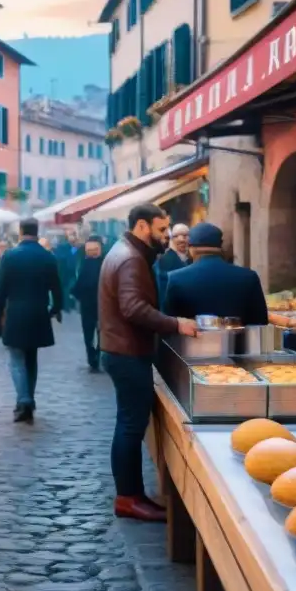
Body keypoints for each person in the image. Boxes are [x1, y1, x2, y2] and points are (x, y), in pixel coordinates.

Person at [99, 204, 197, 522]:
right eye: (161, 229)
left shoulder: (127, 251)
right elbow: (133, 308)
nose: (167, 235)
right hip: (126, 353)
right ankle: (128, 498)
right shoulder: (130, 258)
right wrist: (175, 324)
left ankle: (131, 494)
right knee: (130, 425)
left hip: (121, 350)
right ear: (142, 226)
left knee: (127, 423)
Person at [0, 219, 63, 424]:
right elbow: (57, 287)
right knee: (31, 359)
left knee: (16, 359)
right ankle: (27, 399)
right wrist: (56, 309)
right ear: (37, 232)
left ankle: (24, 400)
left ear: (21, 232)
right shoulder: (47, 257)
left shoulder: (10, 256)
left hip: (16, 315)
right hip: (39, 314)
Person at [162, 223, 269, 325]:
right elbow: (260, 321)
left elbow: (169, 323)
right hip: (236, 342)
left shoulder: (175, 278)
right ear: (220, 247)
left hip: (191, 342)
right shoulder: (249, 277)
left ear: (191, 249)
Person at [71, 235, 105, 371]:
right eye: (89, 250)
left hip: (97, 304)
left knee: (96, 332)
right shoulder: (89, 263)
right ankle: (94, 355)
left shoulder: (99, 263)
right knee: (92, 332)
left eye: (94, 249)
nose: (91, 252)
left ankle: (94, 356)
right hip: (92, 304)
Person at [154, 222, 191, 301]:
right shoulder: (162, 261)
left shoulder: (194, 259)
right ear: (172, 239)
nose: (181, 239)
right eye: (176, 236)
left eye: (185, 236)